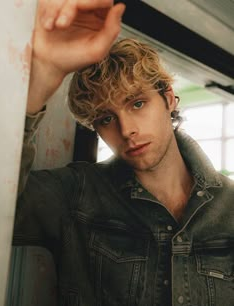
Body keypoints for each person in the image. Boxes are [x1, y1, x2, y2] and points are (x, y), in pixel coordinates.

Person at [14, 0, 234, 305]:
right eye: (105, 118)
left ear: (168, 99)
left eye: (137, 103)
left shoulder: (230, 206)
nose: (126, 129)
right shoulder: (77, 194)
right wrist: (42, 78)